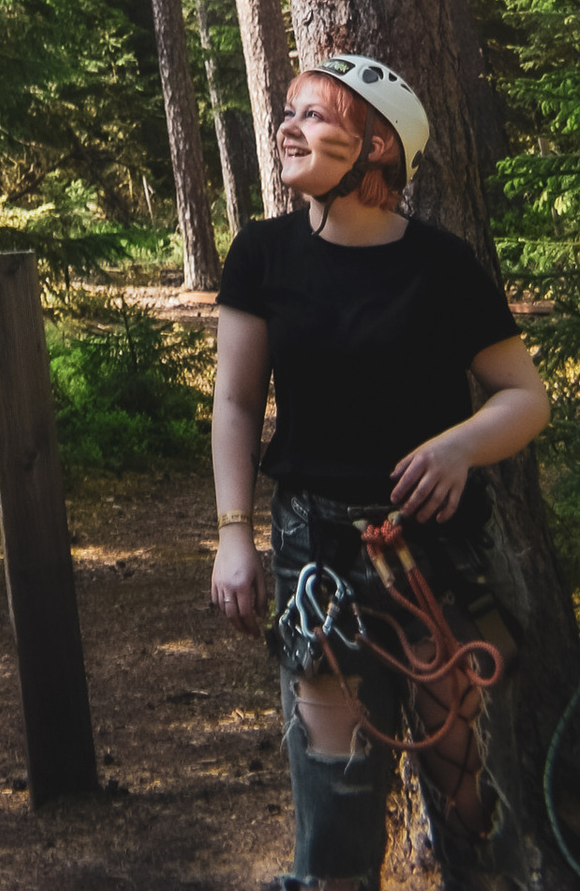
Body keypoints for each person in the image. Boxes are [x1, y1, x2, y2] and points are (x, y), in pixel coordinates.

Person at [210, 52, 548, 887]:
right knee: (335, 802)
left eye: (314, 115)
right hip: (318, 554)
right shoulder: (262, 255)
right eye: (288, 113)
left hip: (440, 556)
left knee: (467, 793)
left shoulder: (443, 265)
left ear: (380, 147)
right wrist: (233, 536)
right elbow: (237, 404)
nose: (288, 129)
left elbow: (525, 396)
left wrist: (460, 445)